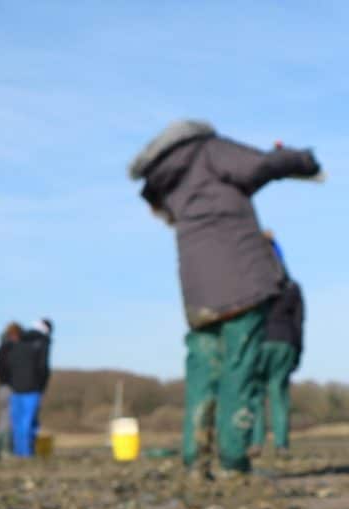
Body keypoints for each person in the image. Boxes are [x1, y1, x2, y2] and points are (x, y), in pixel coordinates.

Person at [129, 120, 321, 477]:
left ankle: (195, 459)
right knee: (239, 369)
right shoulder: (209, 150)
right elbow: (260, 166)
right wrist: (302, 161)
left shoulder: (166, 178)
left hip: (198, 289)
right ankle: (233, 459)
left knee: (203, 370)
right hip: (241, 280)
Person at [250, 234, 304, 458]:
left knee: (256, 395)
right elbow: (299, 321)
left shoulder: (252, 285)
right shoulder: (292, 287)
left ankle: (256, 443)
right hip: (285, 342)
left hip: (260, 342)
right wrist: (297, 351)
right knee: (279, 394)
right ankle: (281, 445)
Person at [7, 318, 53, 457]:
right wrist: (41, 386)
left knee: (18, 422)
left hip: (15, 388)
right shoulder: (43, 343)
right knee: (28, 422)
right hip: (32, 389)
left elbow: (9, 363)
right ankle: (27, 453)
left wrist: (11, 382)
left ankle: (19, 452)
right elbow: (43, 367)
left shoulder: (18, 341)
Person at [0, 321, 22, 460]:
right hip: (9, 387)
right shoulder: (10, 349)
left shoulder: (0, 348)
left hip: (2, 387)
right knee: (7, 420)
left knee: (3, 419)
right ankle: (5, 450)